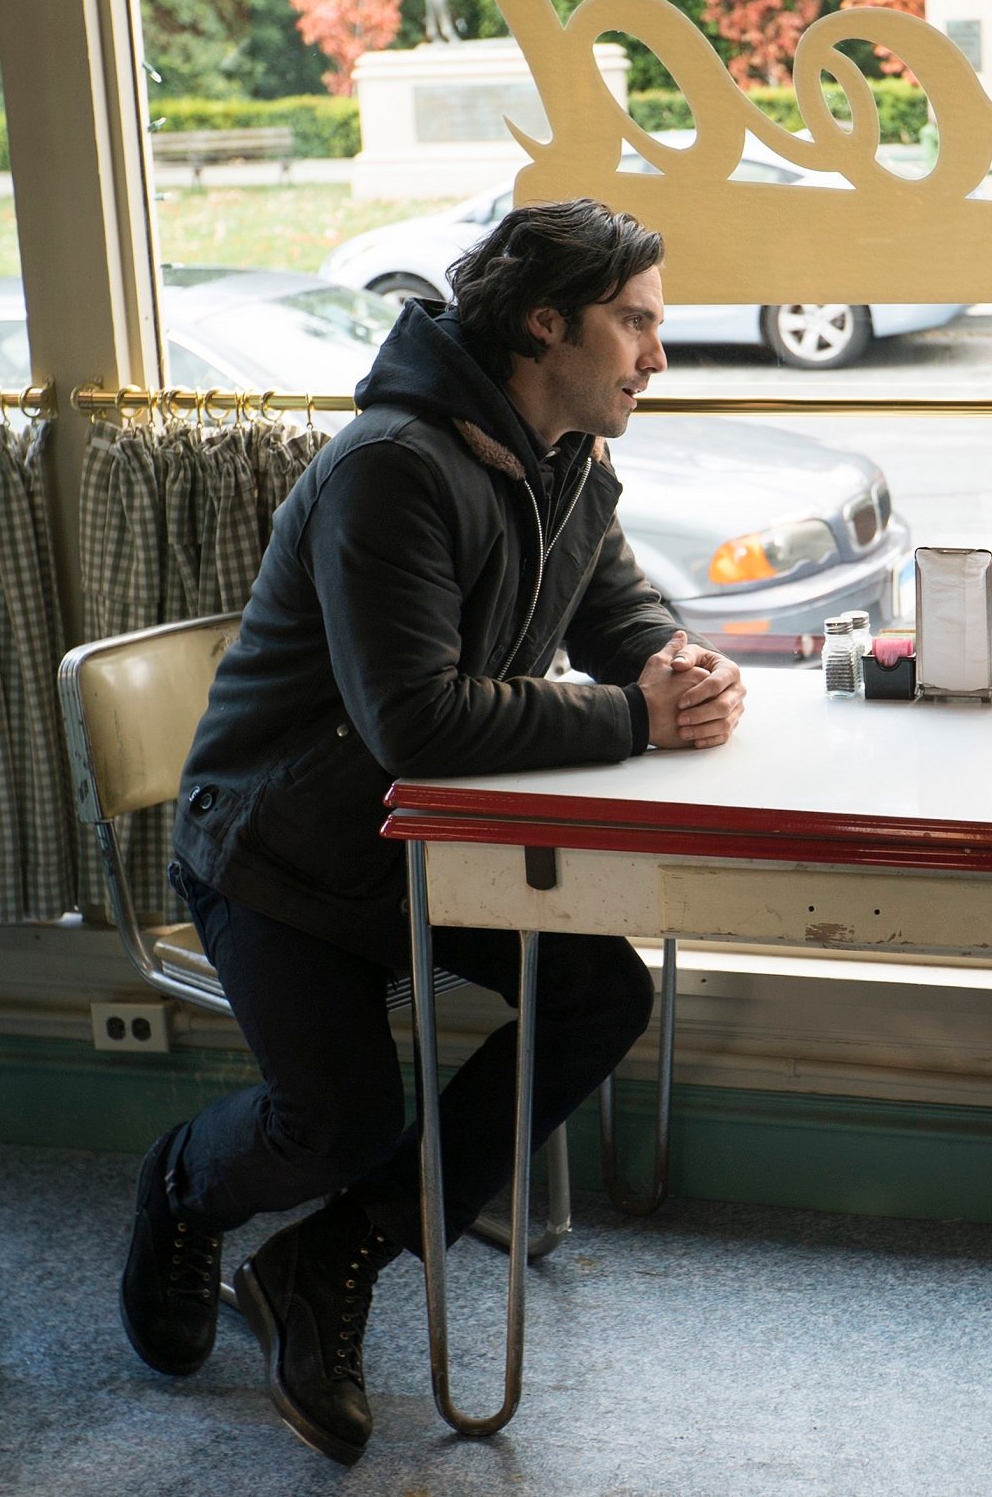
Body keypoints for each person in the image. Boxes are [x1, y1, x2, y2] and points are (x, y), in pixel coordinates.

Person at [117, 198, 747, 1466]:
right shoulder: (393, 468)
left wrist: (685, 669)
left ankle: (329, 1257)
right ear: (543, 322)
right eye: (636, 323)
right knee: (336, 1122)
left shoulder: (566, 461)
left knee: (595, 999)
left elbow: (616, 617)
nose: (656, 356)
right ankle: (183, 1184)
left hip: (421, 853)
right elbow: (417, 720)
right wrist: (635, 715)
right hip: (280, 857)